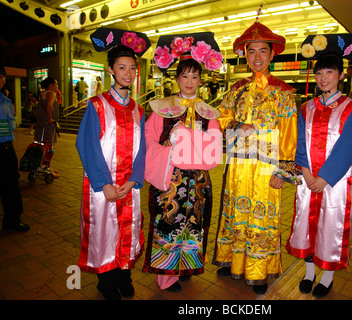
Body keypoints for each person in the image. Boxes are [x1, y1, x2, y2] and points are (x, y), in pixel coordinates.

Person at [212, 21, 300, 295]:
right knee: (235, 211)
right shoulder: (236, 89)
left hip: (266, 167)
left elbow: (289, 134)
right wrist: (236, 125)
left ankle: (258, 270)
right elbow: (220, 118)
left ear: (273, 55)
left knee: (262, 217)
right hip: (238, 166)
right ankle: (231, 260)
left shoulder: (283, 93)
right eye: (252, 52)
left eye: (263, 51)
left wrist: (283, 172)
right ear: (245, 55)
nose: (258, 57)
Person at [142, 32, 223, 293]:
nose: (190, 82)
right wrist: (170, 149)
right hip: (171, 180)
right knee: (168, 223)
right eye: (185, 76)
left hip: (198, 181)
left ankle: (186, 266)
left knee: (194, 225)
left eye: (195, 76)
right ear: (177, 79)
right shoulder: (161, 108)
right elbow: (149, 142)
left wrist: (189, 143)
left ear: (201, 79)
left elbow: (214, 148)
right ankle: (166, 274)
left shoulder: (209, 112)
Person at [76, 27, 151, 300]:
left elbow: (143, 150)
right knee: (104, 232)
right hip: (103, 186)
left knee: (128, 231)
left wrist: (133, 180)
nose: (128, 74)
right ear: (111, 70)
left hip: (130, 185)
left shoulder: (139, 110)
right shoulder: (96, 105)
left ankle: (124, 274)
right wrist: (104, 184)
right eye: (122, 68)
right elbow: (87, 146)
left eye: (132, 69)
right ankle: (106, 281)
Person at [286, 34, 352, 299]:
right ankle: (308, 272)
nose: (323, 78)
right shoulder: (306, 107)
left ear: (341, 75)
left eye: (329, 72)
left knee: (331, 225)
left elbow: (349, 147)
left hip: (335, 182)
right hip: (308, 180)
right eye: (319, 73)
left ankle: (327, 275)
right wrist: (307, 173)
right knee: (305, 225)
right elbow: (300, 145)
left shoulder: (351, 108)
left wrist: (326, 177)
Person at [0, 65, 29, 232]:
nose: (1, 80)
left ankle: (12, 220)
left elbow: (9, 128)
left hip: (6, 149)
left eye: (2, 76)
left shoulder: (6, 101)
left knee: (11, 187)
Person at [35, 77, 60, 178]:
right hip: (48, 125)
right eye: (56, 84)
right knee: (49, 146)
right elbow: (49, 105)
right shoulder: (51, 94)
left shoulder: (42, 94)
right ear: (50, 84)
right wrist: (50, 118)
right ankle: (46, 167)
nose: (57, 86)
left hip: (41, 124)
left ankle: (42, 165)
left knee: (42, 145)